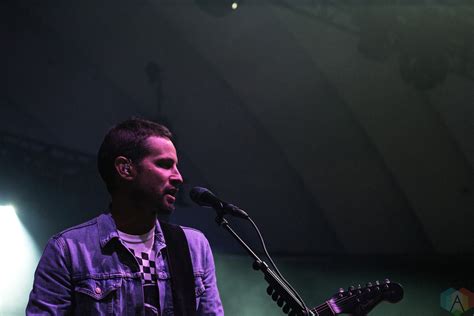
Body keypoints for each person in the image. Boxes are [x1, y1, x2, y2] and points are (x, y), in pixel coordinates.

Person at [27, 118, 224, 315]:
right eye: (164, 164)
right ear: (125, 168)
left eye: (176, 166)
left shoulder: (193, 246)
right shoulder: (67, 250)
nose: (178, 177)